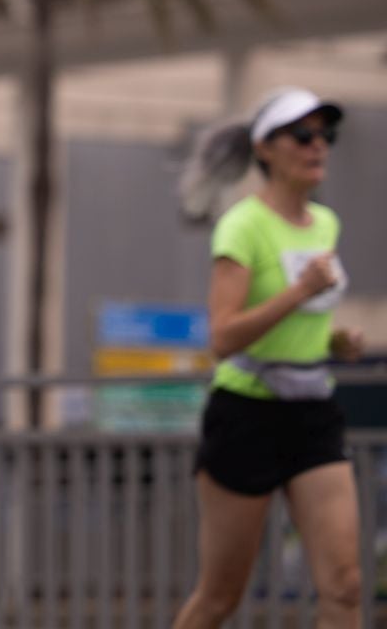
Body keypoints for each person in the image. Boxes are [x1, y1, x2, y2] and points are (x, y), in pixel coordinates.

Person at [173, 87, 365, 627]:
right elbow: (224, 337)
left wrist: (332, 343)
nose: (317, 146)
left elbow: (295, 330)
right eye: (302, 136)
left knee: (346, 585)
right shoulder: (242, 225)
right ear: (265, 149)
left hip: (312, 413)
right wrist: (299, 292)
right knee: (220, 597)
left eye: (325, 135)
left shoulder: (326, 224)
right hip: (246, 415)